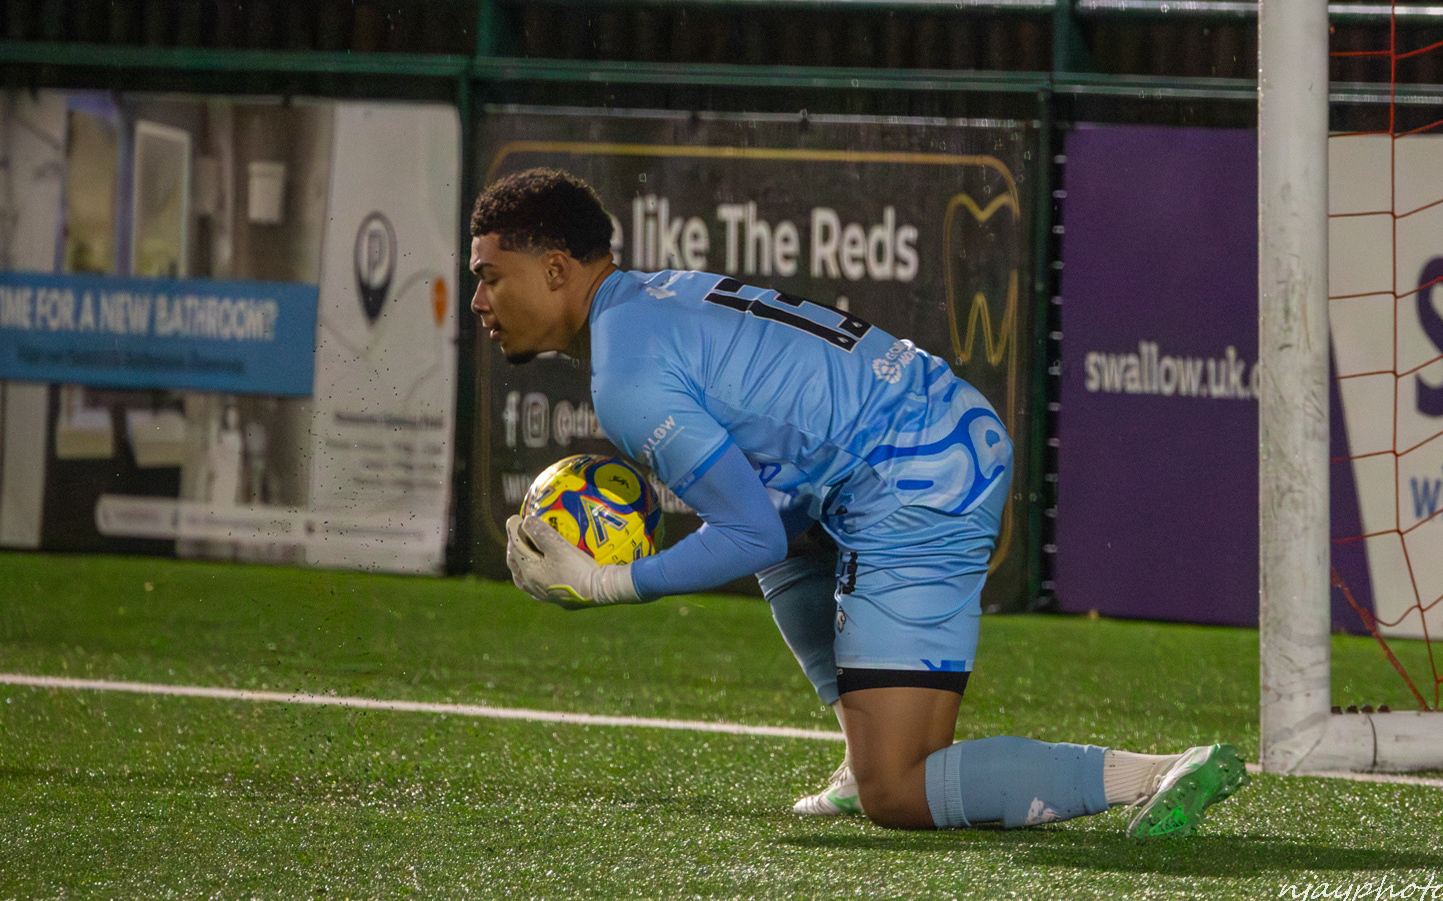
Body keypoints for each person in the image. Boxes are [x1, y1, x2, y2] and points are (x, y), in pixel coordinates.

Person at [471, 167, 1248, 835]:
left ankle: (1153, 771)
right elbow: (766, 517)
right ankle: (860, 751)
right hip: (926, 432)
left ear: (556, 269)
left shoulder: (626, 376)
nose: (479, 299)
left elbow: (744, 534)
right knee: (787, 528)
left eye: (490, 276)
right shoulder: (648, 298)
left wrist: (605, 582)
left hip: (915, 475)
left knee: (898, 789)